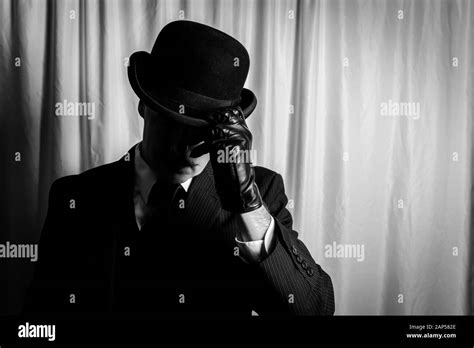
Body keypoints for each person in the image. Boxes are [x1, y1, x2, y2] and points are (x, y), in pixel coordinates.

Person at [24, 20, 334, 317]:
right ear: (144, 106)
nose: (193, 139)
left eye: (210, 126)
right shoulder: (75, 197)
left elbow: (313, 309)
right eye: (177, 118)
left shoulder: (262, 193)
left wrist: (245, 202)